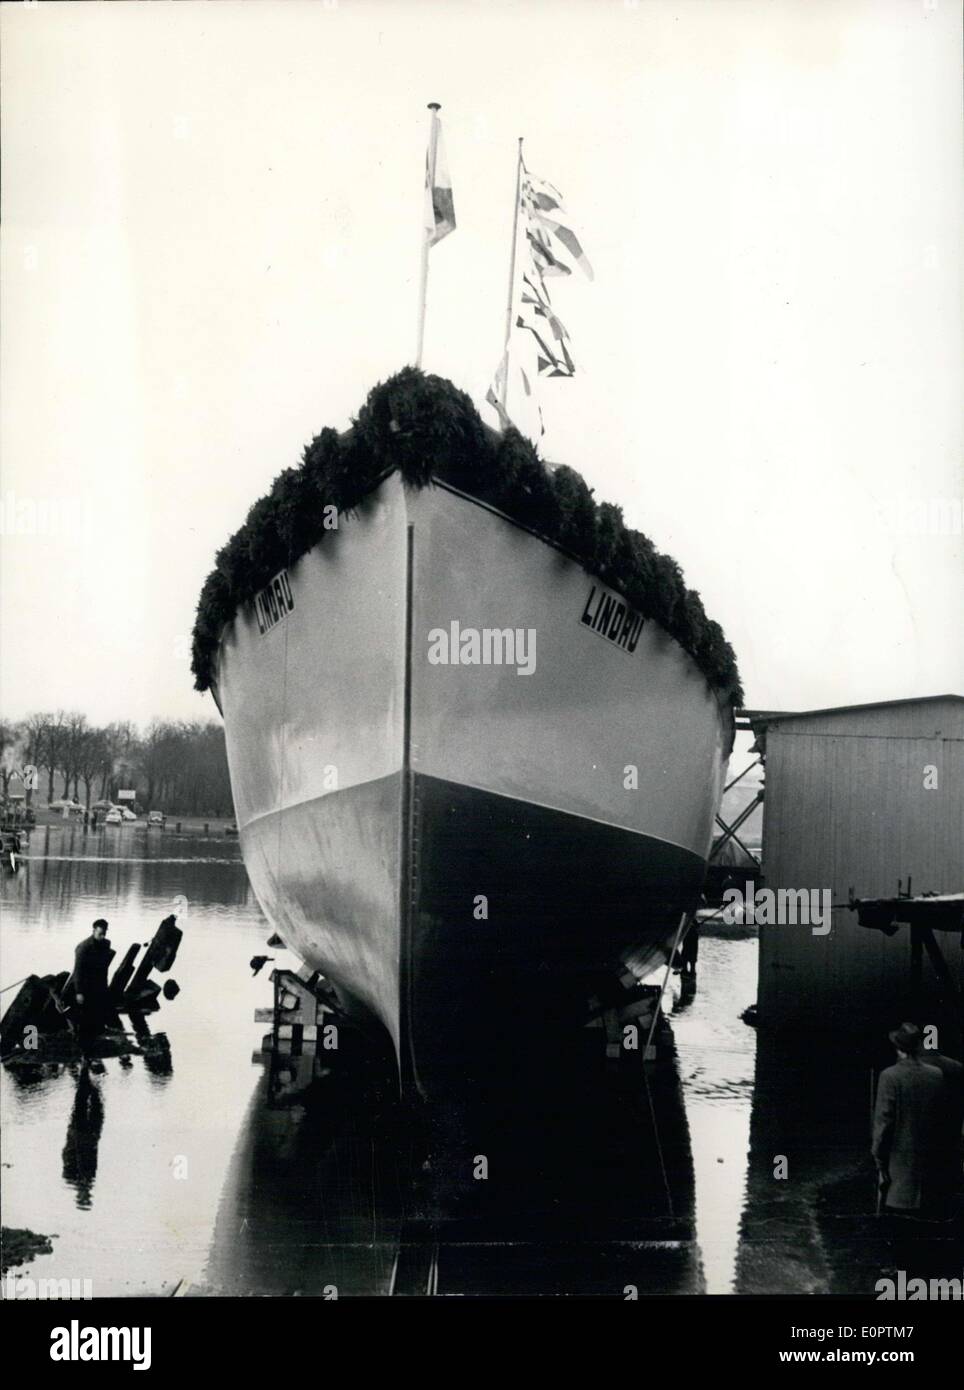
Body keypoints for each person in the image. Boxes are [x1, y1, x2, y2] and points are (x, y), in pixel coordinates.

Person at [871, 1022, 944, 1215]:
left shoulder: (889, 1076)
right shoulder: (936, 1075)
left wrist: (878, 1159)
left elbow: (883, 1124)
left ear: (897, 1048)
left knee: (898, 1229)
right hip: (929, 1172)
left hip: (899, 1171)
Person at [70, 919, 113, 1053]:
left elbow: (104, 968)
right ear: (93, 931)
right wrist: (79, 992)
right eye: (100, 933)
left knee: (97, 1015)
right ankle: (83, 1048)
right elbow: (78, 971)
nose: (103, 936)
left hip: (99, 986)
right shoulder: (83, 947)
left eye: (104, 933)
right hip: (86, 987)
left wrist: (105, 988)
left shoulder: (106, 944)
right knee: (85, 1017)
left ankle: (93, 1043)